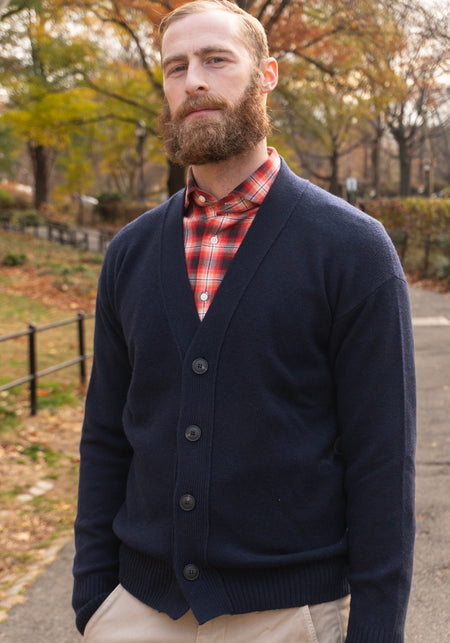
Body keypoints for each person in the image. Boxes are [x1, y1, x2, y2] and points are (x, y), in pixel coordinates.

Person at [72, 1, 416, 641]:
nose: (193, 80)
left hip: (288, 613)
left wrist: (375, 630)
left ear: (267, 75)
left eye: (216, 60)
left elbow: (382, 465)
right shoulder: (131, 253)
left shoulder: (352, 249)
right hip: (136, 608)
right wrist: (93, 596)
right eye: (176, 67)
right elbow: (105, 438)